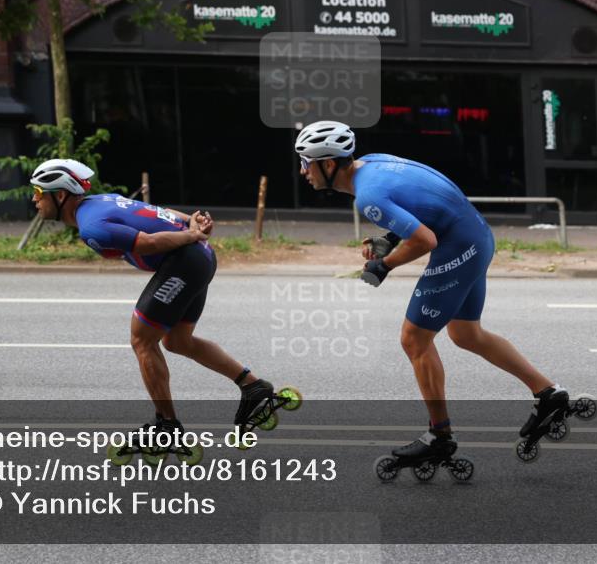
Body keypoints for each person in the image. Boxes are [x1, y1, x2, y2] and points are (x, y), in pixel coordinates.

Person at [294, 121, 568, 461]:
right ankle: (549, 393)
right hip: (476, 235)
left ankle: (440, 436)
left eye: (306, 162)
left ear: (328, 164)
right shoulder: (373, 162)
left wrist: (384, 265)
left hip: (456, 246)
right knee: (466, 334)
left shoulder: (367, 197)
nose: (303, 171)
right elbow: (421, 201)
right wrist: (388, 238)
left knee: (414, 339)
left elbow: (425, 239)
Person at [29, 158, 277, 438]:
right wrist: (190, 222)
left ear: (61, 195)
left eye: (38, 192)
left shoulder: (92, 225)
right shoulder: (101, 200)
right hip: (198, 259)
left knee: (142, 340)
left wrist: (191, 235)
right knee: (177, 341)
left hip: (187, 261)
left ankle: (167, 425)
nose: (34, 200)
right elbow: (162, 213)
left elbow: (148, 243)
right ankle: (253, 386)